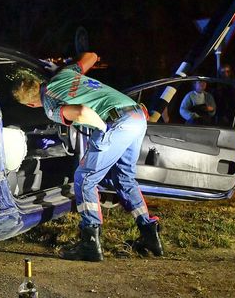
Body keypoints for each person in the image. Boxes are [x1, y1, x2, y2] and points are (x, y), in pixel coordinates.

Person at [12, 52, 163, 261]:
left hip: (116, 122)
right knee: (124, 178)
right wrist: (65, 63)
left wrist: (103, 129)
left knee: (84, 179)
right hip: (136, 115)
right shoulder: (63, 75)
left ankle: (90, 243)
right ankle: (149, 232)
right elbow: (91, 57)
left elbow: (81, 111)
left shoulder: (50, 106)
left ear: (29, 104)